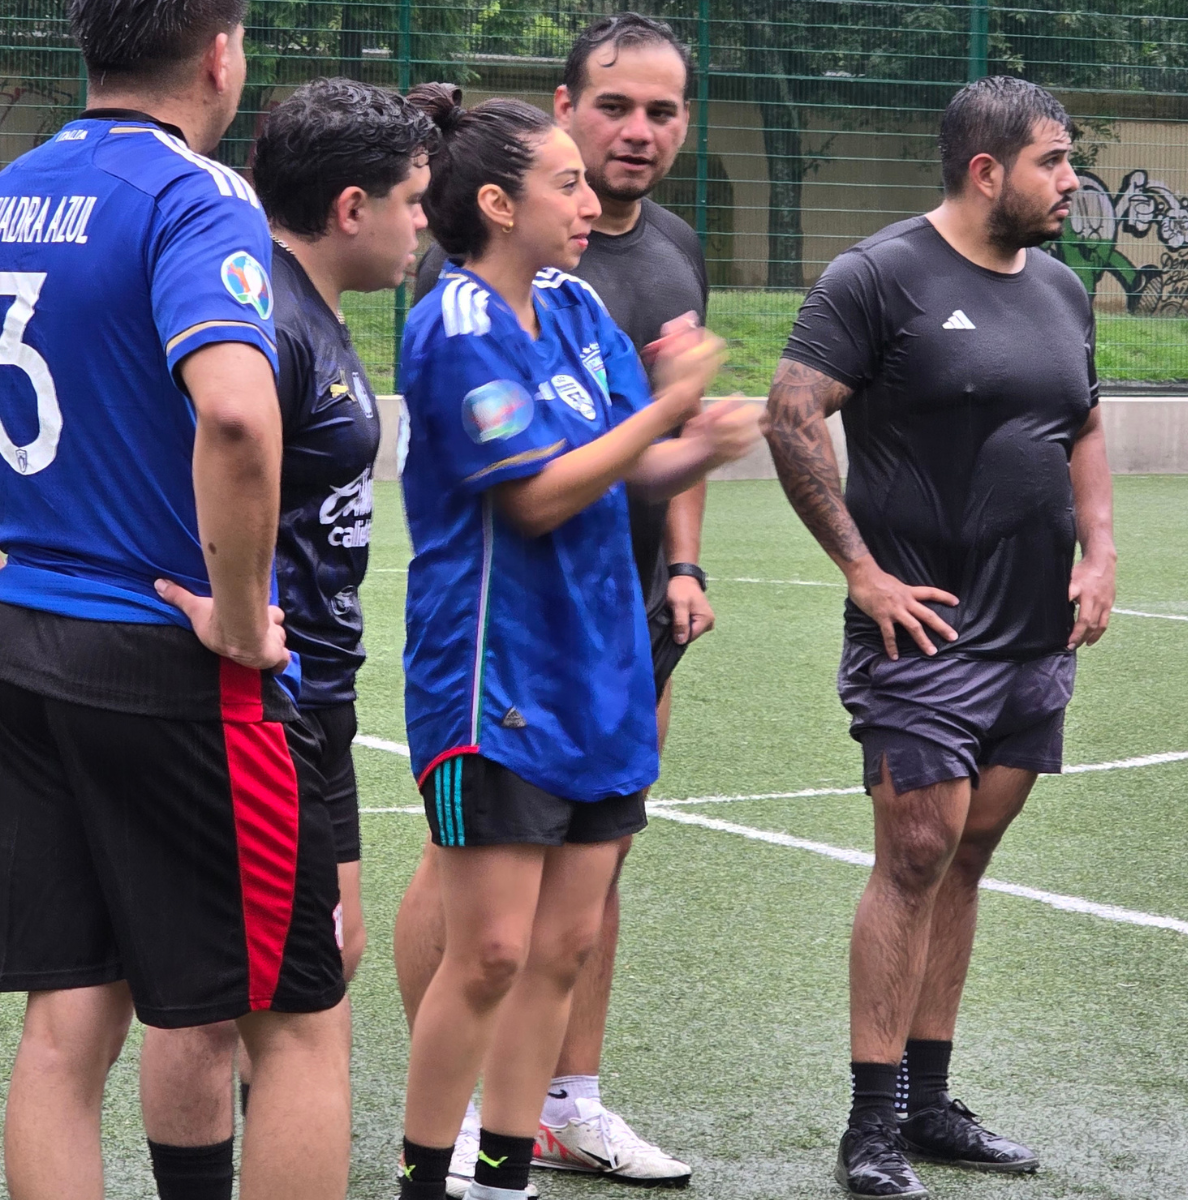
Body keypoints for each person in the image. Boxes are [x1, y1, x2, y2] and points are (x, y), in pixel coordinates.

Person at [0, 2, 353, 1198]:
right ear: (219, 53)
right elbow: (239, 417)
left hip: (24, 643)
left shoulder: (14, 188)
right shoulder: (194, 194)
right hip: (165, 661)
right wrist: (243, 618)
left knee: (67, 1027)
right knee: (296, 1024)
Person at [395, 83, 758, 1200]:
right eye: (566, 182)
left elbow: (627, 466)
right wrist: (665, 408)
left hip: (603, 672)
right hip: (494, 680)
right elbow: (539, 496)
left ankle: (504, 1173)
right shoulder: (453, 326)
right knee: (491, 953)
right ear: (498, 204)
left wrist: (700, 443)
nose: (589, 198)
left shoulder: (575, 306)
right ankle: (425, 1174)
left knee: (562, 947)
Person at [763, 76, 1116, 1200]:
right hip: (926, 633)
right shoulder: (878, 275)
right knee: (915, 852)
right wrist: (862, 572)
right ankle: (870, 1126)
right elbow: (791, 411)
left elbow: (1083, 421)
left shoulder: (1061, 288)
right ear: (986, 170)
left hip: (1035, 633)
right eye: (1054, 161)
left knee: (968, 854)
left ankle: (929, 1106)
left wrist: (1100, 553)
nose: (1072, 182)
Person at [133, 79, 436, 1200]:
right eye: (413, 200)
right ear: (352, 207)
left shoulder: (312, 308)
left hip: (319, 698)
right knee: (232, 999)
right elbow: (215, 456)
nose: (424, 222)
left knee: (322, 956)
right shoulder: (267, 318)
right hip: (258, 696)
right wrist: (241, 616)